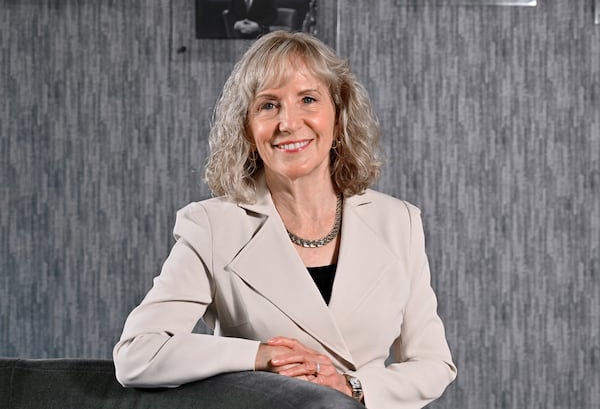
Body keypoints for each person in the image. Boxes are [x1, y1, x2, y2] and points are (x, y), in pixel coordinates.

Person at [113, 31, 457, 408]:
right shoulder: (212, 226)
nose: (288, 123)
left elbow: (433, 364)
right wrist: (260, 356)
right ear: (247, 127)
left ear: (338, 116)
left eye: (308, 99)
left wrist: (354, 387)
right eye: (268, 106)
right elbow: (137, 354)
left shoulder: (399, 222)